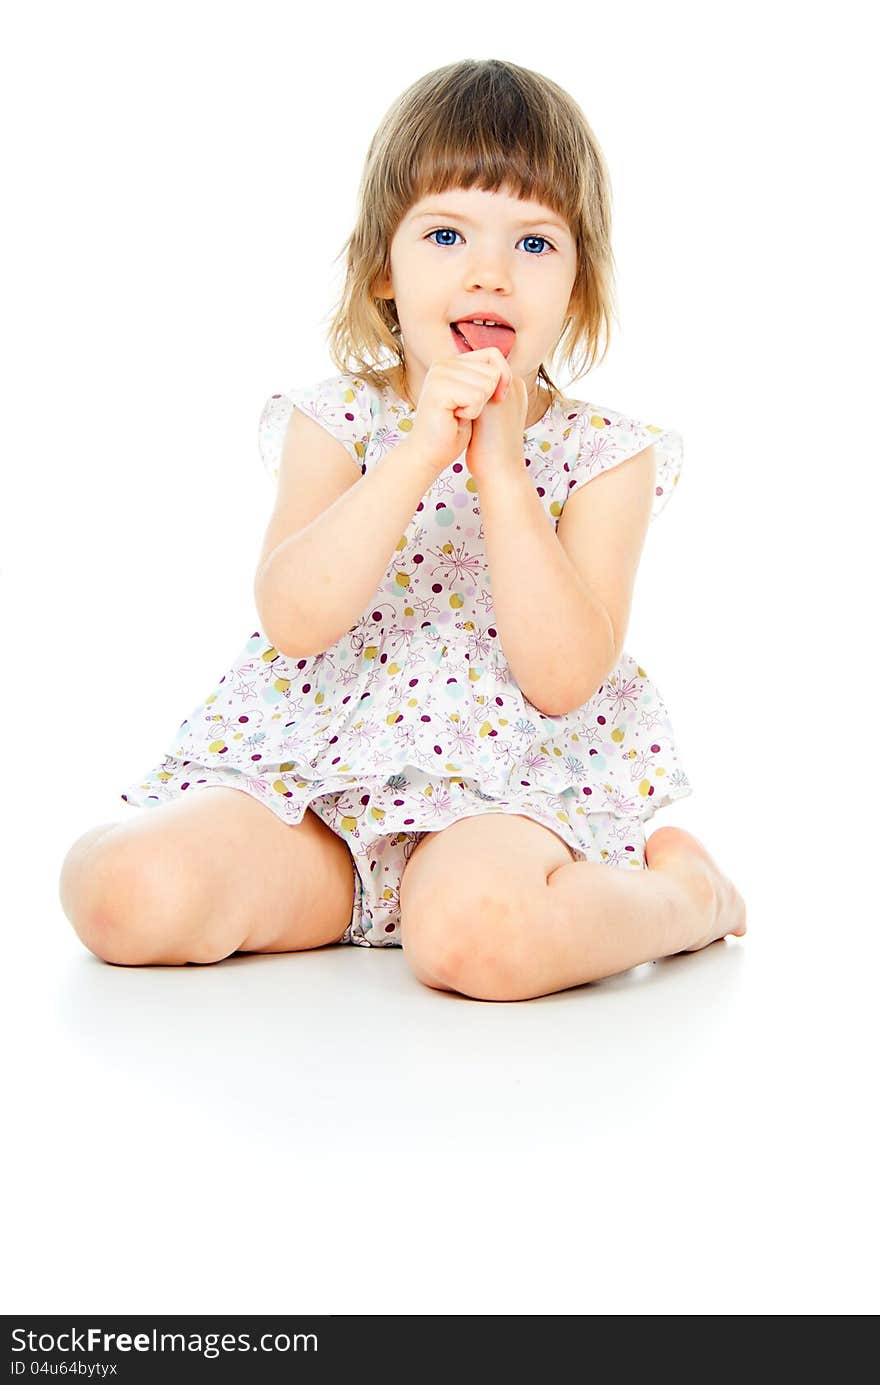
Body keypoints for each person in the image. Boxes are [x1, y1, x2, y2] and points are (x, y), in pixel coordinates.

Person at [58, 58, 746, 1001]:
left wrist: (500, 473)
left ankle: (684, 899)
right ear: (384, 266)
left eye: (536, 245)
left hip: (504, 794)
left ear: (579, 290)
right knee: (120, 892)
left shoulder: (604, 457)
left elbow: (562, 676)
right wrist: (417, 453)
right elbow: (294, 618)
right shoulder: (337, 422)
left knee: (481, 942)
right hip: (323, 797)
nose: (490, 272)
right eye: (448, 232)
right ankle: (354, 905)